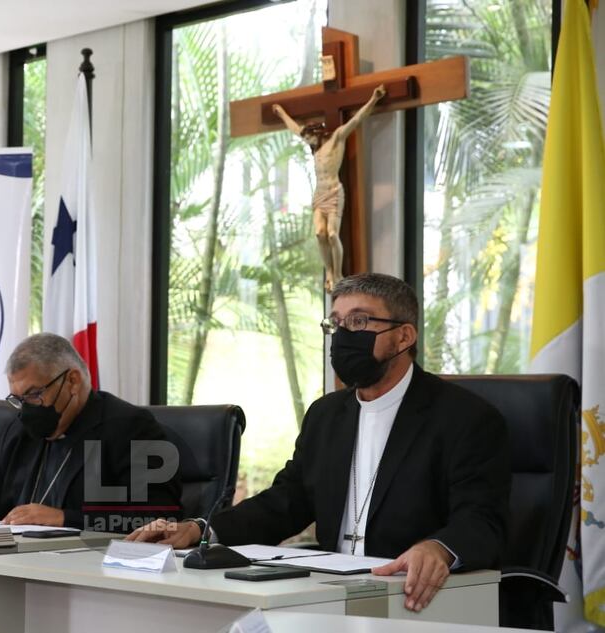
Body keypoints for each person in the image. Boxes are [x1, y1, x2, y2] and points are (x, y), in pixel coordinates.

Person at [129, 272, 510, 614]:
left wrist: (438, 548)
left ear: (404, 336)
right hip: (327, 592)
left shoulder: (464, 416)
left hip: (416, 598)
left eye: (359, 321)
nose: (344, 335)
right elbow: (287, 500)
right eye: (337, 323)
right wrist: (201, 529)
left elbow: (481, 518)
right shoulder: (327, 415)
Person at [0, 333, 183, 533]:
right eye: (17, 399)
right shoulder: (21, 431)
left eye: (34, 394)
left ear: (72, 382)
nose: (25, 409)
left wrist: (64, 518)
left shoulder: (130, 428)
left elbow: (158, 518)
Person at [272, 84, 386, 291]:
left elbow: (357, 119)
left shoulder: (336, 139)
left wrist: (374, 98)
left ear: (316, 133)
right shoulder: (315, 148)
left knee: (333, 234)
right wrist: (281, 113)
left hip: (334, 192)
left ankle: (339, 273)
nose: (306, 141)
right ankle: (329, 272)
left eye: (308, 138)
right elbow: (295, 128)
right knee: (319, 233)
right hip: (319, 194)